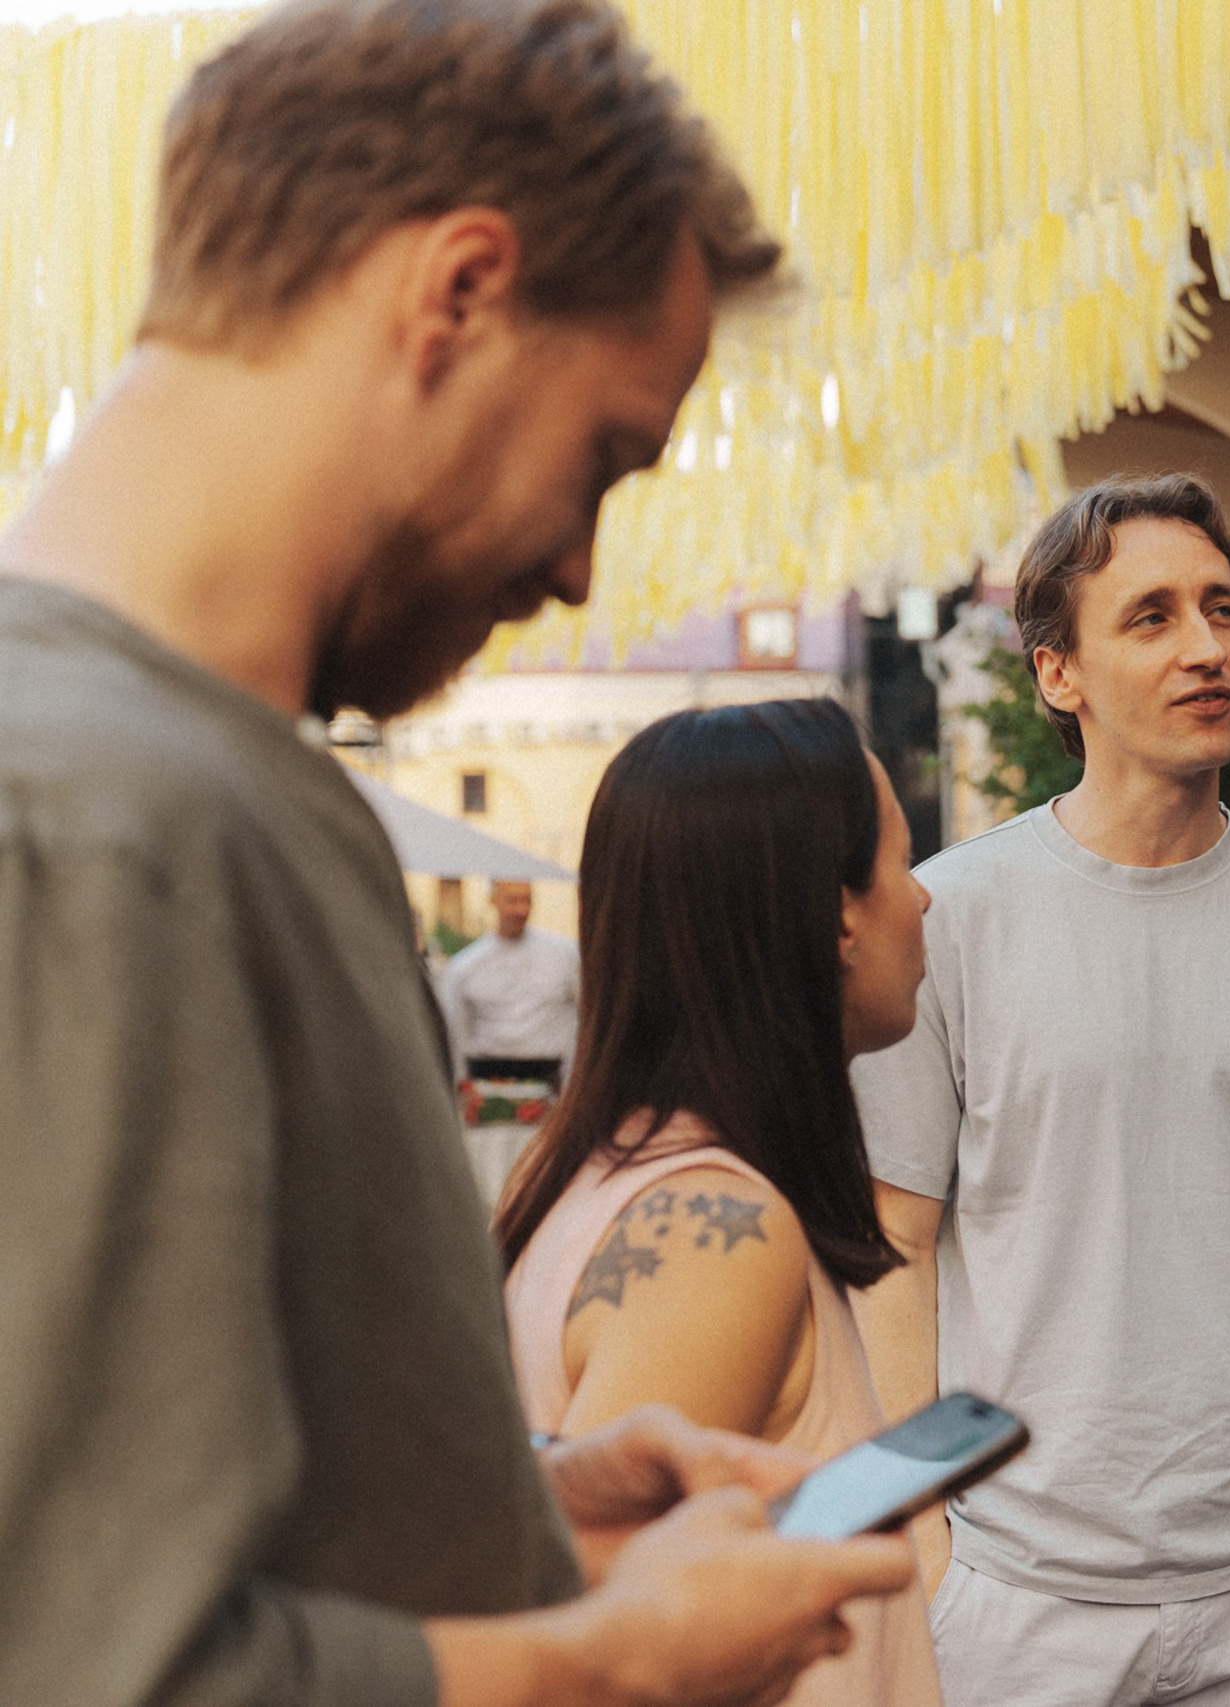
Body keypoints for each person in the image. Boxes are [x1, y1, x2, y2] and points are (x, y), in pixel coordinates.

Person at [0, 3, 913, 1703]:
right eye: (604, 457)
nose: (579, 567)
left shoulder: (198, 797)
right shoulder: (88, 828)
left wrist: (535, 1509)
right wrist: (612, 1663)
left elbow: (182, 1515)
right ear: (459, 292)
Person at [852, 473, 1230, 1707]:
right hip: (1017, 1603)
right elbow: (893, 1247)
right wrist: (926, 1553)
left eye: (1220, 610)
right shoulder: (952, 919)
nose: (1205, 648)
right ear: (1056, 674)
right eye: (1152, 617)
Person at [498, 698, 941, 1707]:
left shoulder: (583, 1171)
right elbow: (598, 1661)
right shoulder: (718, 1238)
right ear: (835, 912)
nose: (922, 902)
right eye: (902, 864)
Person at [444, 877, 582, 1085]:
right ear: (493, 900)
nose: (521, 910)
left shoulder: (565, 955)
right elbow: (456, 1030)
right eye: (512, 901)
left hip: (549, 1074)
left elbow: (585, 1013)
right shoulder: (465, 965)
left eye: (527, 900)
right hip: (487, 1075)